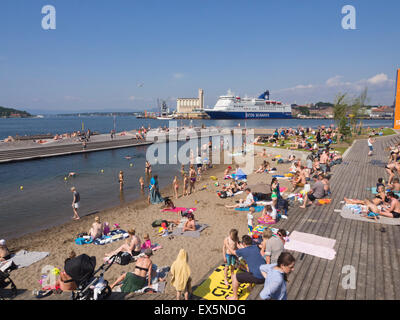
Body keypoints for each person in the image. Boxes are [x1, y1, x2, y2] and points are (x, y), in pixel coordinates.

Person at [226, 235, 266, 300]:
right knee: (250, 268)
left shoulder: (243, 251)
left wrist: (226, 244)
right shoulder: (256, 247)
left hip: (259, 278)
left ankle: (235, 297)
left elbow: (233, 252)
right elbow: (248, 249)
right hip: (265, 275)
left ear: (244, 244)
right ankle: (250, 286)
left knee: (234, 277)